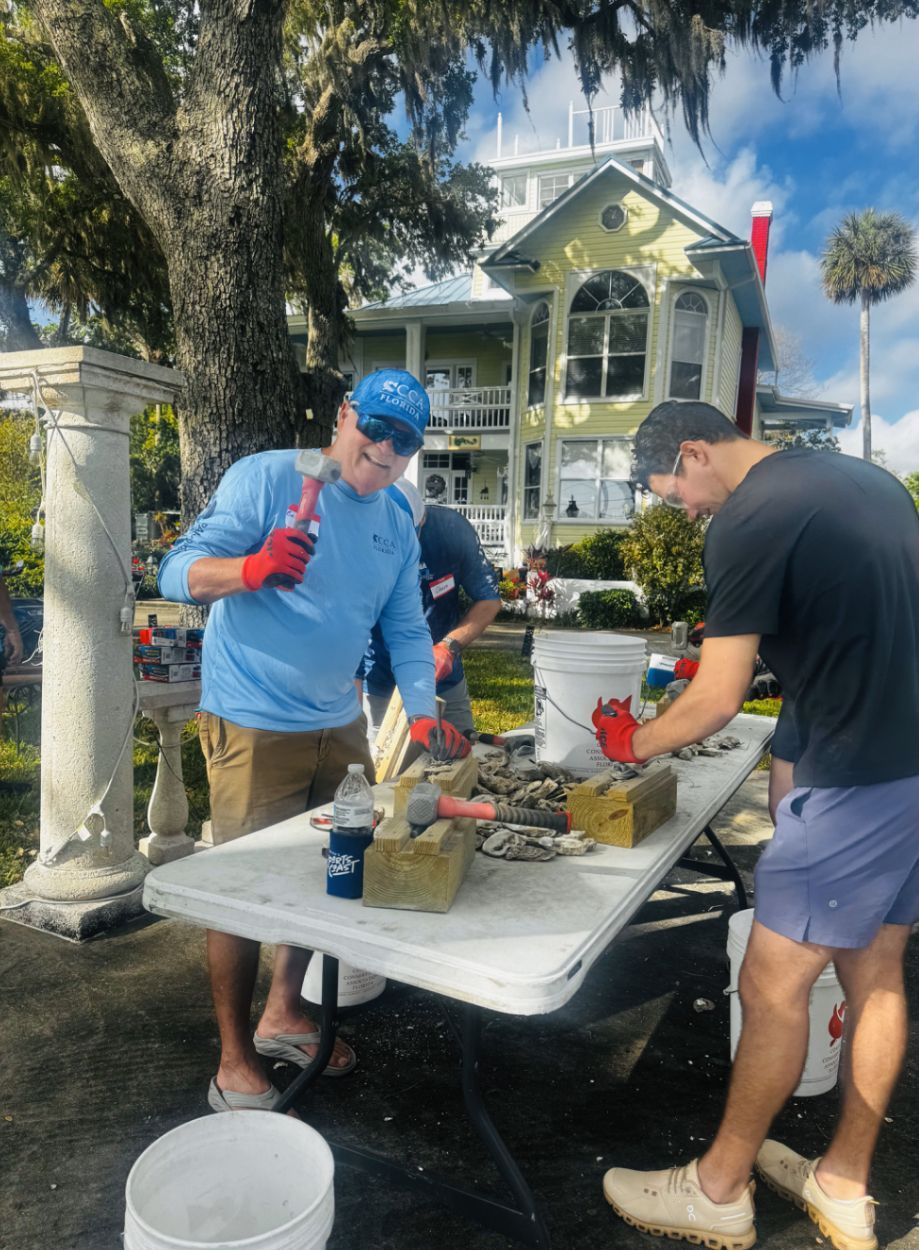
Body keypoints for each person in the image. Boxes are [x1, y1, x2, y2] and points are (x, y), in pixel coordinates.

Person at [593, 400, 919, 1250]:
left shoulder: (747, 518)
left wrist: (631, 743)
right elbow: (849, 645)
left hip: (854, 780)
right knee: (876, 973)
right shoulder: (863, 480)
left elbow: (713, 699)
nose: (688, 511)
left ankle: (716, 1189)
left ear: (695, 452)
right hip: (905, 764)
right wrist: (786, 772)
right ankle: (843, 1181)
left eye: (676, 495)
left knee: (771, 987)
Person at [157, 368, 470, 1113]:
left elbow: (401, 624)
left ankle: (283, 1013)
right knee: (240, 894)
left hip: (340, 723)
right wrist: (252, 569)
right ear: (343, 415)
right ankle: (234, 1060)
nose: (386, 448)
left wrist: (420, 711)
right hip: (253, 721)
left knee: (327, 875)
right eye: (376, 427)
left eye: (405, 440)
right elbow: (177, 572)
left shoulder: (395, 518)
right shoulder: (266, 480)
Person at [362, 483, 501, 744]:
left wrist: (449, 646)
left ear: (423, 517)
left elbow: (488, 600)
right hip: (378, 679)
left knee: (459, 757)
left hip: (444, 681)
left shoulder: (452, 531)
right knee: (382, 768)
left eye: (409, 535)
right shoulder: (360, 541)